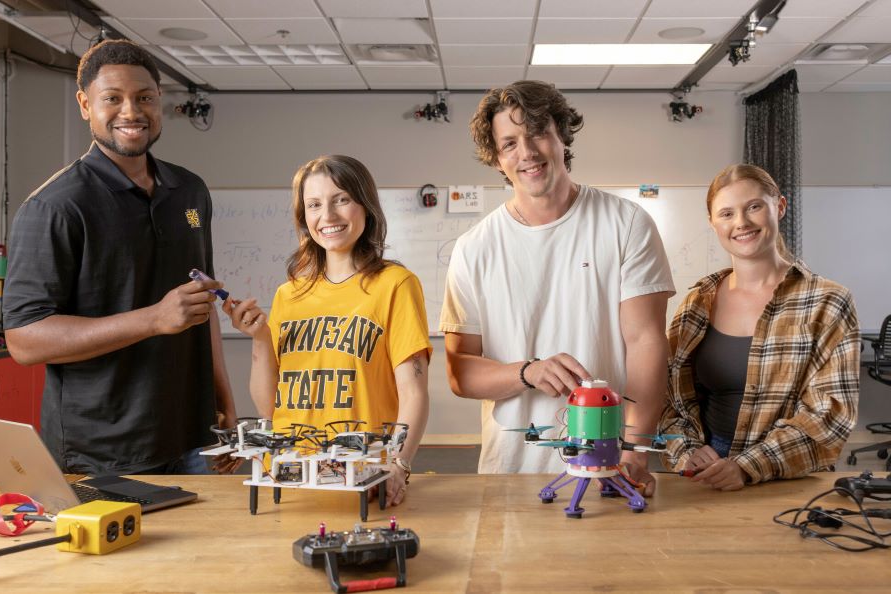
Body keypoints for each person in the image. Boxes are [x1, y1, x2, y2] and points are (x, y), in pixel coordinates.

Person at [3, 40, 237, 475]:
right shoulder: (56, 206)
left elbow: (204, 307)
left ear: (159, 102)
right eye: (112, 98)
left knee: (207, 547)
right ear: (85, 105)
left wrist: (225, 406)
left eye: (144, 97)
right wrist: (153, 319)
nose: (131, 111)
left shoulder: (189, 190)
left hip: (194, 437)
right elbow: (24, 339)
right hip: (102, 451)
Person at [440, 80, 675, 492]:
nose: (527, 153)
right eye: (510, 143)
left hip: (608, 465)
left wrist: (635, 447)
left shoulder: (626, 224)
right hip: (510, 472)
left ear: (562, 137)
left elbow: (646, 342)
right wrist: (529, 372)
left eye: (538, 134)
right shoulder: (473, 249)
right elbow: (461, 373)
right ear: (497, 159)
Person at [224, 155, 431, 506]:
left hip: (364, 476)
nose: (328, 216)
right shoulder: (288, 295)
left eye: (342, 200)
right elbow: (271, 407)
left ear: (365, 205)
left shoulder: (396, 285)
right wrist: (260, 338)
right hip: (291, 478)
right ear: (304, 218)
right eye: (314, 205)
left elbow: (413, 394)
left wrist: (399, 463)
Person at [661, 164, 860, 491]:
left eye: (754, 207)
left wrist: (748, 466)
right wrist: (686, 450)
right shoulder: (698, 302)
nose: (741, 222)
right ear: (713, 224)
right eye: (726, 213)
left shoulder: (828, 301)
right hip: (707, 469)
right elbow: (672, 397)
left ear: (779, 207)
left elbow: (830, 417)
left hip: (790, 471)